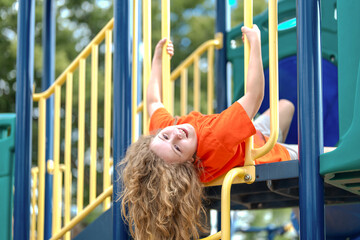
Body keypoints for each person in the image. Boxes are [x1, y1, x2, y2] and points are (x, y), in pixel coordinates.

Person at [119, 25, 298, 240]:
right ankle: (295, 158)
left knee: (286, 106)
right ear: (189, 164)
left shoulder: (164, 136)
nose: (176, 135)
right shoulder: (217, 136)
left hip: (251, 138)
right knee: (323, 156)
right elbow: (255, 95)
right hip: (265, 154)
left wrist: (157, 60)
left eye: (165, 136)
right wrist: (256, 43)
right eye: (177, 148)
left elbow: (153, 101)